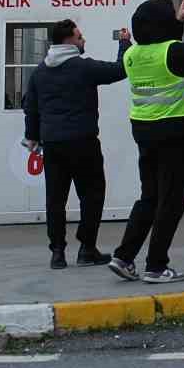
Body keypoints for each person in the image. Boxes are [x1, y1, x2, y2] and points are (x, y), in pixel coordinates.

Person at [107, 0, 184, 284]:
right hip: (175, 135)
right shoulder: (174, 54)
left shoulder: (132, 55)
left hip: (145, 133)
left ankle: (123, 256)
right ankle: (156, 265)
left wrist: (177, 21)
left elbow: (165, 47)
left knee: (150, 197)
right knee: (171, 202)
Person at [21, 18, 127, 269]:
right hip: (83, 142)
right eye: (80, 37)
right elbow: (120, 70)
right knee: (92, 194)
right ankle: (87, 249)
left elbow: (31, 108)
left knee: (55, 199)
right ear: (68, 41)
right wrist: (124, 44)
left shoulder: (40, 72)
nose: (83, 40)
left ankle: (57, 253)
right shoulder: (84, 67)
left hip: (53, 145)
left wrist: (32, 136)